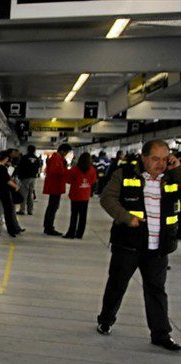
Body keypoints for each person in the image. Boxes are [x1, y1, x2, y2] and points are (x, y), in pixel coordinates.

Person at [97, 140, 181, 351]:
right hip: (128, 244)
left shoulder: (172, 177)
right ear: (143, 158)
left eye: (165, 159)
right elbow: (107, 198)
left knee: (156, 290)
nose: (160, 164)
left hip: (158, 247)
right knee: (117, 285)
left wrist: (177, 170)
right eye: (155, 159)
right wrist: (126, 217)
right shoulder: (124, 175)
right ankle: (106, 320)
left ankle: (161, 334)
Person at [63, 152, 97, 239]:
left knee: (74, 215)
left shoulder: (74, 170)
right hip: (85, 195)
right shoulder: (92, 170)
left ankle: (71, 232)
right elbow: (93, 181)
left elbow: (68, 180)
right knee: (83, 216)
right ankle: (80, 233)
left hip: (75, 195)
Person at [43, 143, 72, 235]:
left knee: (52, 207)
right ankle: (49, 227)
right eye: (66, 152)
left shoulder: (58, 158)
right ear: (62, 151)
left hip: (55, 186)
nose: (66, 154)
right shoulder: (57, 159)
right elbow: (55, 172)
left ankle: (48, 226)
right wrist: (65, 171)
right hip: (55, 186)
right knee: (53, 207)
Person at [0, 150, 24, 237]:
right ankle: (11, 229)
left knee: (9, 210)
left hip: (0, 190)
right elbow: (7, 180)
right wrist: (16, 186)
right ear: (6, 158)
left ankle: (13, 228)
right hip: (5, 190)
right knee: (8, 210)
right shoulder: (2, 168)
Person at [16, 145, 41, 215]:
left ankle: (22, 210)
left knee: (23, 194)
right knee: (30, 194)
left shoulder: (24, 157)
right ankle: (30, 210)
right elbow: (38, 167)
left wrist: (19, 176)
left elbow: (20, 167)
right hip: (33, 178)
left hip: (25, 178)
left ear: (27, 150)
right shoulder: (36, 158)